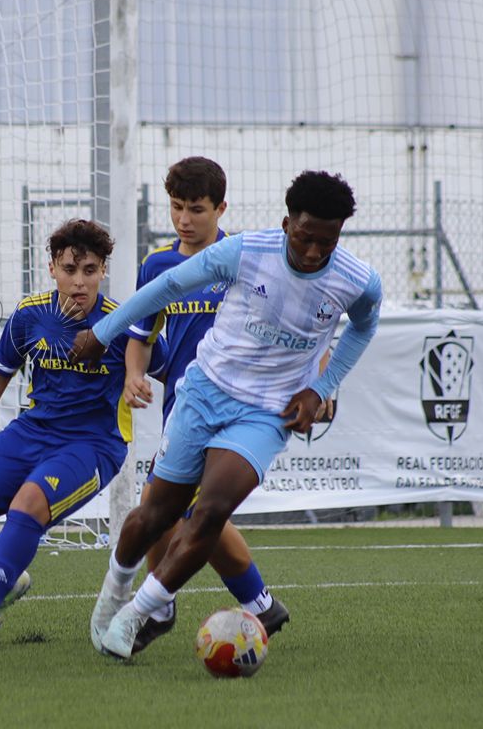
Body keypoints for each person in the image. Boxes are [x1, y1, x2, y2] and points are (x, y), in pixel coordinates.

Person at [74, 171, 382, 660]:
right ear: (287, 224)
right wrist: (102, 332)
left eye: (327, 241)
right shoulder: (244, 252)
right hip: (204, 393)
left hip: (267, 413)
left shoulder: (357, 280)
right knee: (155, 515)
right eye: (305, 237)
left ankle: (139, 615)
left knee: (211, 511)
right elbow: (167, 286)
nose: (313, 252)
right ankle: (113, 596)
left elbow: (364, 327)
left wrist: (321, 388)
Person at [0, 219, 167, 653]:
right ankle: (7, 581)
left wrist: (138, 379)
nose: (79, 282)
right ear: (52, 269)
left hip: (93, 444)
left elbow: (164, 364)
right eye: (69, 270)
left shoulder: (121, 322)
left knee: (28, 503)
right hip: (34, 429)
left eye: (90, 270)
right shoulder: (30, 315)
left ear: (103, 271)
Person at [120, 157, 289, 653]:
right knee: (173, 509)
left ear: (221, 208)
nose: (184, 219)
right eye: (176, 207)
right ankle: (259, 605)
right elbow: (140, 334)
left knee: (182, 508)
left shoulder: (245, 261)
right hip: (184, 408)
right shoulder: (158, 266)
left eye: (196, 209)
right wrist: (133, 374)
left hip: (237, 407)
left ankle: (162, 609)